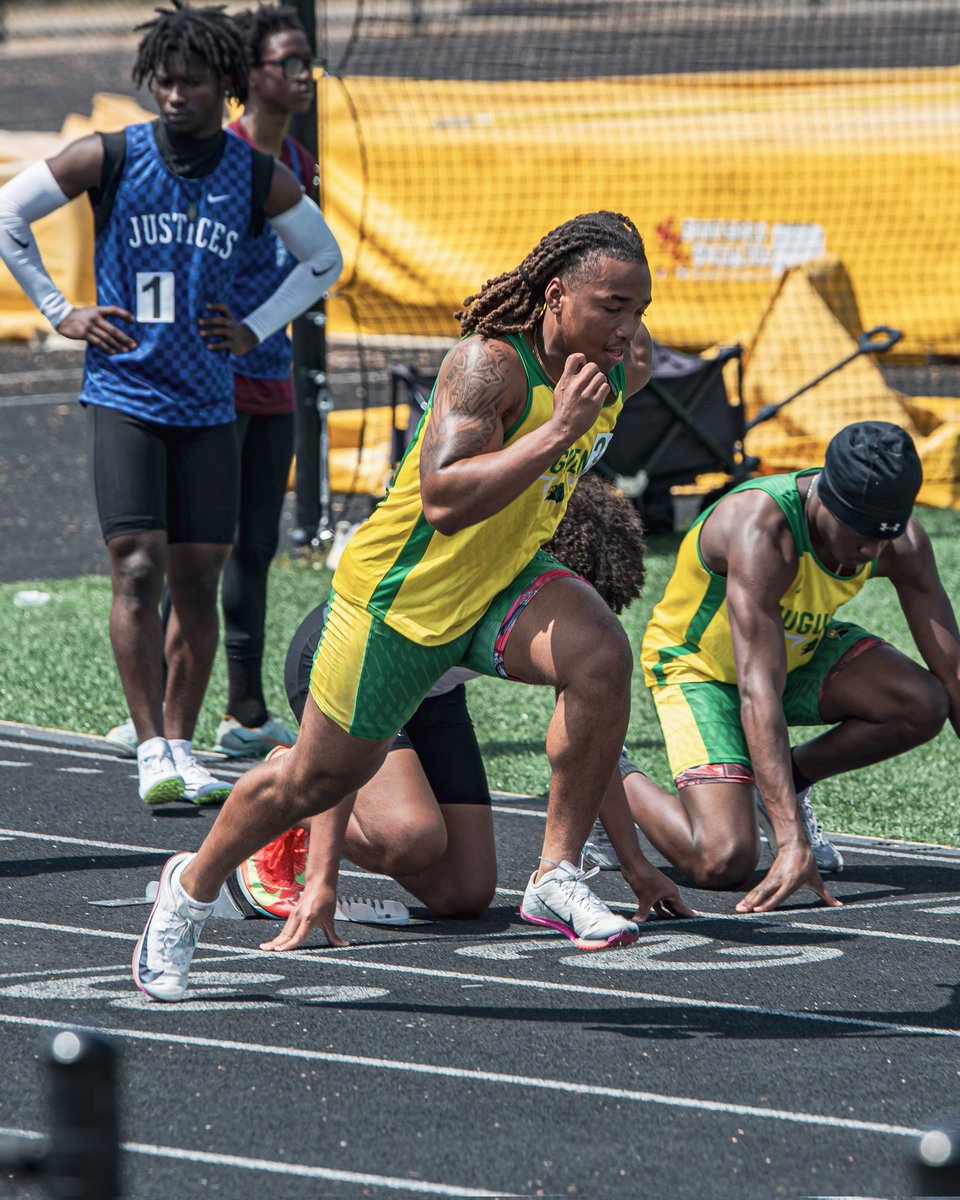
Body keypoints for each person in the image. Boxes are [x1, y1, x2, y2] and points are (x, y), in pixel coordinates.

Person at [133, 209, 654, 1001]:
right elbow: (443, 498)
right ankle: (191, 886)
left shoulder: (616, 363)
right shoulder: (489, 366)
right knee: (309, 783)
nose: (628, 328)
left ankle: (555, 872)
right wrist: (557, 433)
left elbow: (621, 379)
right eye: (612, 307)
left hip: (501, 581)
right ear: (556, 296)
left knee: (601, 652)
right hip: (402, 603)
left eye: (639, 308)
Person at [0, 0, 342, 806]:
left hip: (208, 404)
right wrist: (60, 311)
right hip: (124, 393)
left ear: (225, 85)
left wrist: (256, 324)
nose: (174, 95)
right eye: (163, 81)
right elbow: (10, 213)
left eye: (190, 82)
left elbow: (322, 259)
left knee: (197, 577)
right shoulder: (112, 155)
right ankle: (151, 744)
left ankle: (184, 745)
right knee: (138, 566)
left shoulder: (255, 172)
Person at [227, 471, 692, 950]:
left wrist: (638, 867)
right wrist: (322, 876)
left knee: (464, 894)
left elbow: (590, 751)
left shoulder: (560, 623)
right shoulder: (479, 575)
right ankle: (286, 785)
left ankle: (303, 781)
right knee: (410, 838)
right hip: (350, 665)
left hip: (433, 693)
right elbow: (359, 701)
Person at [613, 420, 960, 913]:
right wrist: (790, 841)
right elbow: (759, 692)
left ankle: (786, 782)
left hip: (797, 650)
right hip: (702, 668)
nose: (870, 552)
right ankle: (607, 770)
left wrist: (782, 802)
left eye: (882, 539)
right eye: (859, 535)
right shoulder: (762, 530)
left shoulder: (896, 539)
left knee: (924, 703)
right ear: (825, 500)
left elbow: (953, 672)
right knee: (723, 860)